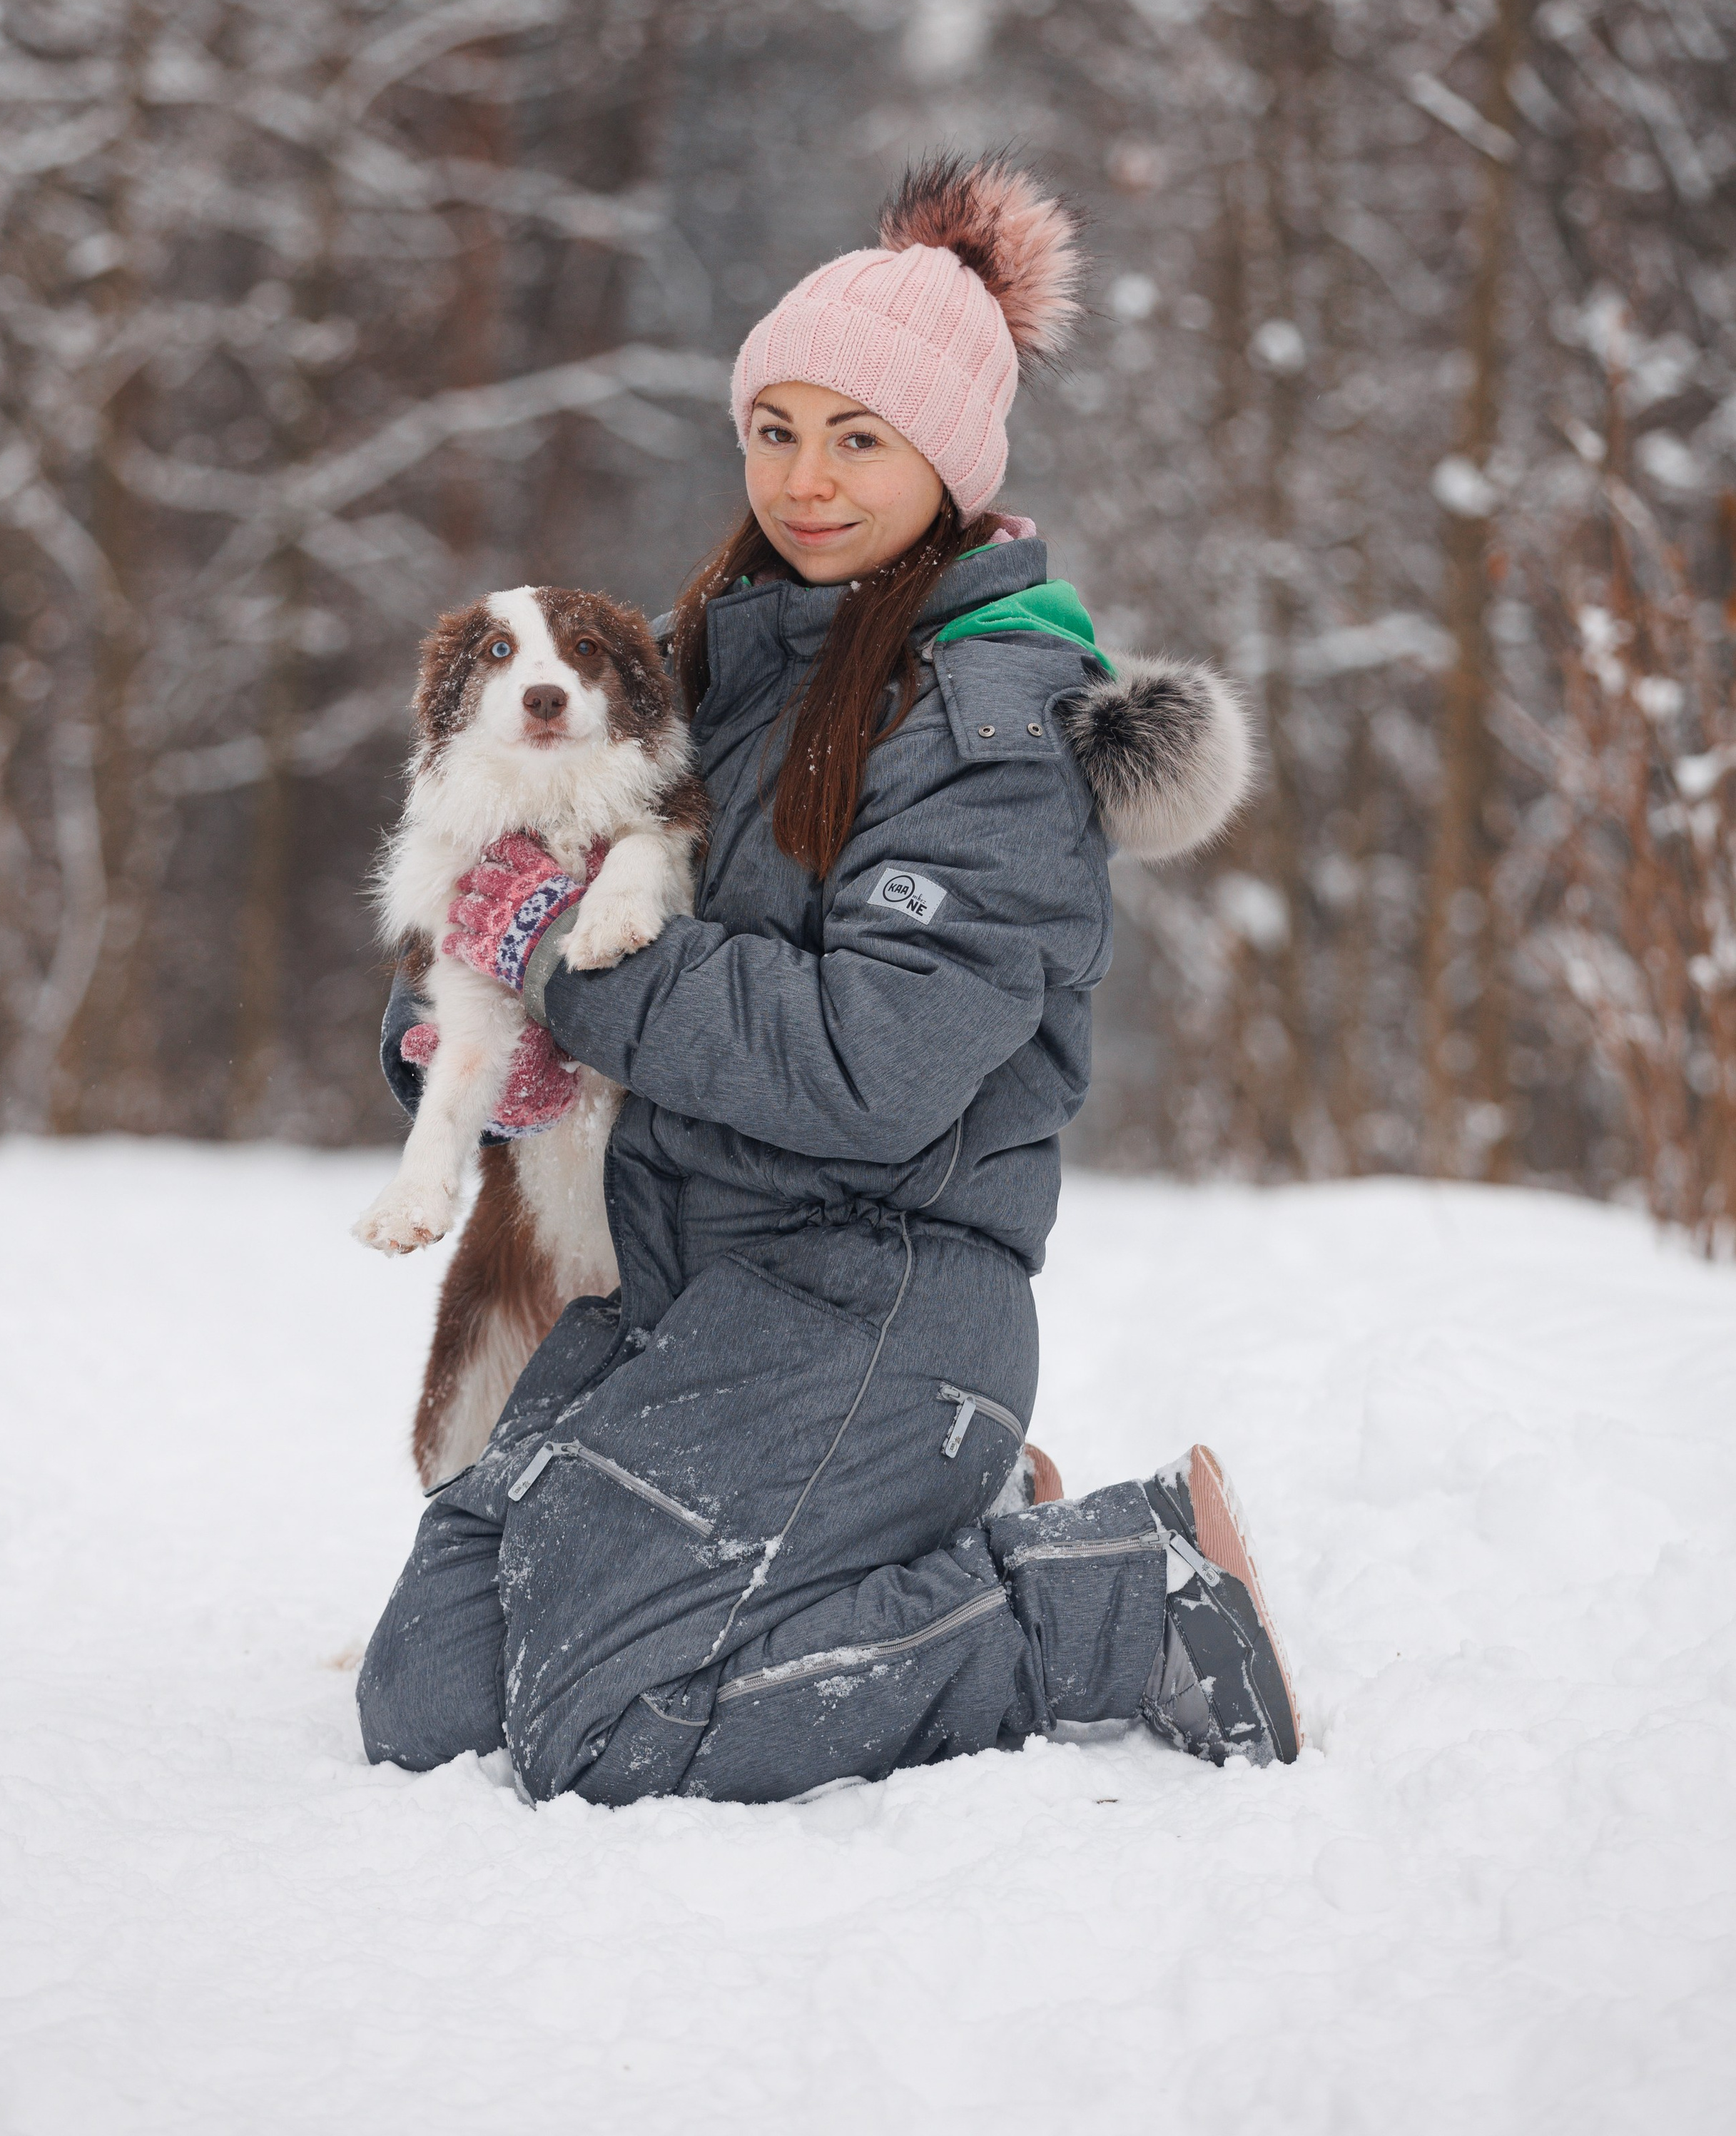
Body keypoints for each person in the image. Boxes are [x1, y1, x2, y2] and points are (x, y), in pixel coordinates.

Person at [357, 153, 1301, 1805]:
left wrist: (566, 973)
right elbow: (497, 905)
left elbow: (871, 1069)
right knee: (425, 1707)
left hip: (872, 1289)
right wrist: (457, 1029)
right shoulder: (703, 673)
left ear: (948, 460)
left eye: (859, 439)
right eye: (775, 429)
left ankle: (1122, 1595)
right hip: (682, 1284)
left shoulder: (993, 731)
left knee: (611, 1727)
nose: (804, 480)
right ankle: (904, 1523)